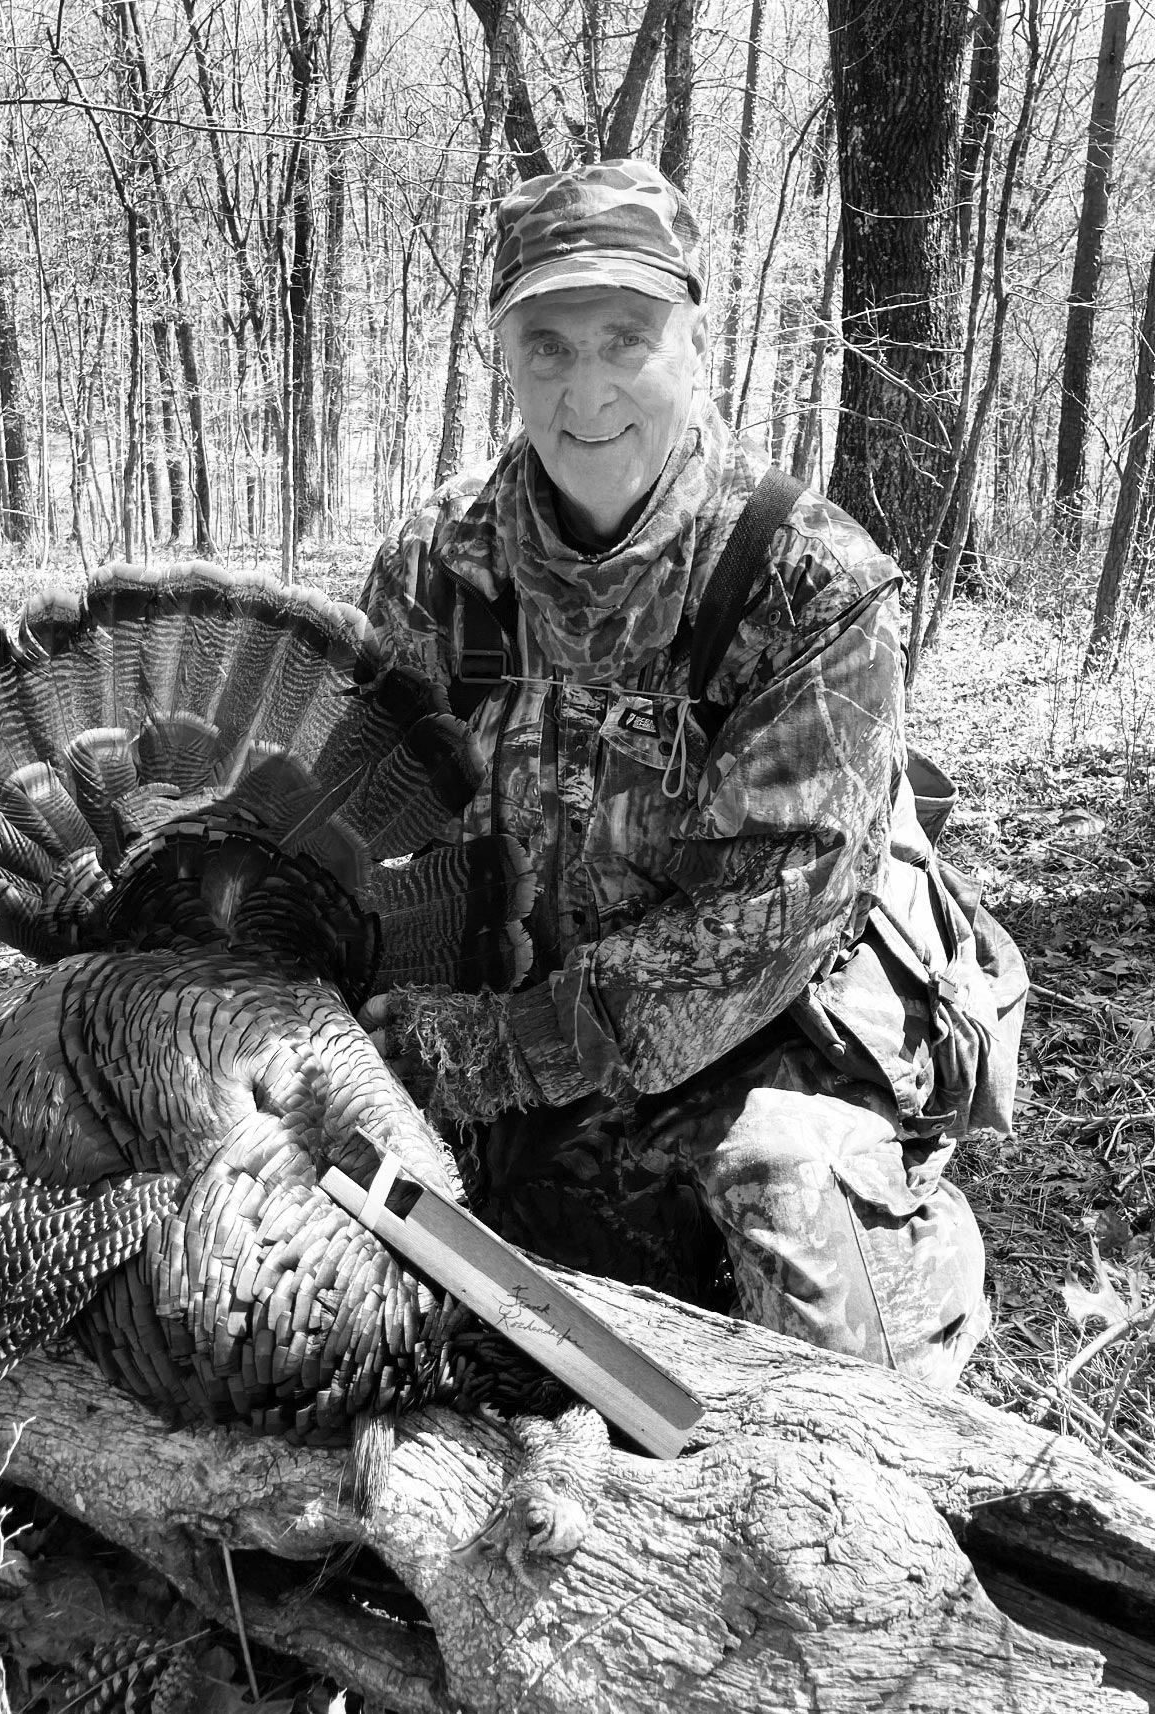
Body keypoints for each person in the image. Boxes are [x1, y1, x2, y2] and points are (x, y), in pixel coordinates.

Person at [359, 158, 1026, 1390]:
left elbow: (767, 924)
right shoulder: (441, 564)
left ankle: (906, 1293)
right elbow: (378, 827)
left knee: (806, 1283)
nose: (589, 387)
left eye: (627, 337)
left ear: (694, 339)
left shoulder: (803, 578)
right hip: (515, 1029)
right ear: (505, 358)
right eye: (548, 346)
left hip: (763, 1051)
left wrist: (491, 1054)